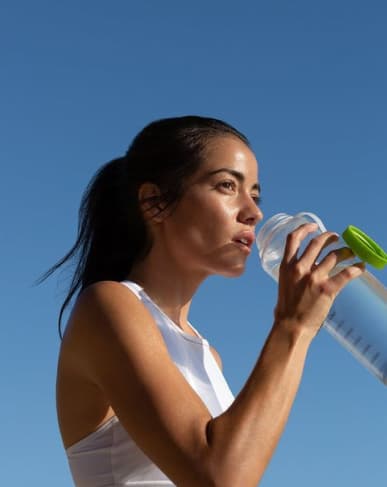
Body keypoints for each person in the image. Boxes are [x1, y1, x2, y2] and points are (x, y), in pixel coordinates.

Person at [41, 115, 365, 487]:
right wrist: (294, 327)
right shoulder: (108, 306)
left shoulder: (208, 357)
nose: (254, 212)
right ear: (154, 203)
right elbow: (219, 476)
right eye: (228, 185)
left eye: (256, 195)